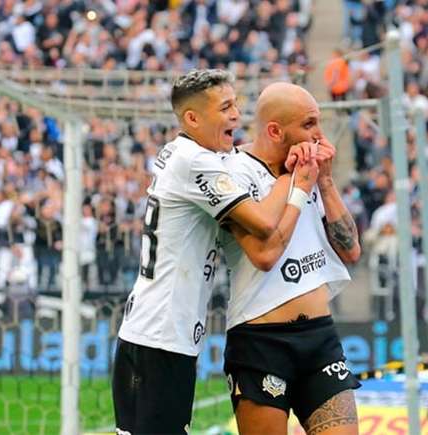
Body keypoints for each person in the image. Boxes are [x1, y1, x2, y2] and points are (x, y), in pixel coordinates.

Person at [112, 69, 319, 434]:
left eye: (236, 104)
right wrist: (292, 179)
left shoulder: (183, 153)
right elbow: (265, 223)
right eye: (225, 107)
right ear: (192, 118)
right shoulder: (196, 161)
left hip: (152, 331)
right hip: (161, 337)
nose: (236, 115)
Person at [219, 82, 362, 434]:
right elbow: (264, 255)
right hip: (260, 340)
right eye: (309, 124)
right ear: (274, 130)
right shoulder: (232, 172)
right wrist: (294, 182)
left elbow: (351, 251)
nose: (319, 134)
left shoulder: (310, 171)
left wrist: (325, 183)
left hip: (319, 336)